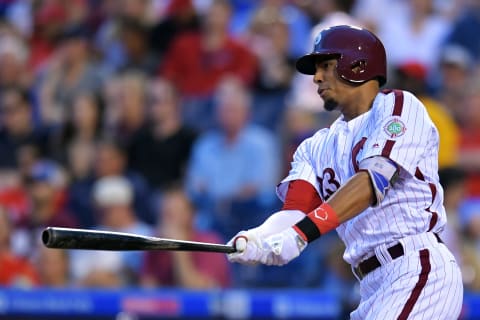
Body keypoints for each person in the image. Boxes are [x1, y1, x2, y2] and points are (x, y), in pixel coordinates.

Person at [227, 25, 463, 319]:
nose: (316, 77)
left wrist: (299, 236)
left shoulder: (399, 106)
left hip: (417, 268)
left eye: (325, 66)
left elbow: (370, 182)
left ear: (359, 65)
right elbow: (294, 213)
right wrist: (257, 238)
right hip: (370, 285)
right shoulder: (314, 146)